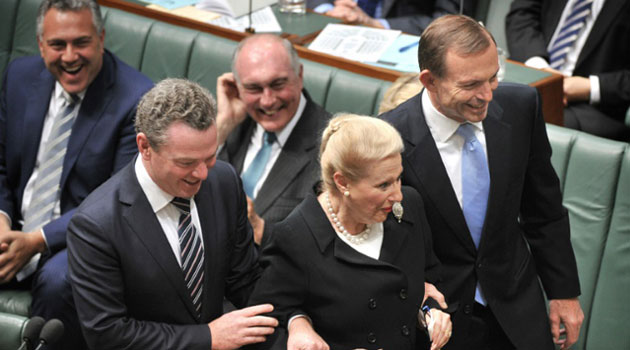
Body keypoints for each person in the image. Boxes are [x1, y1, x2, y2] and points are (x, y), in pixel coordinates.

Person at [381, 15, 584, 350]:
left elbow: (543, 211)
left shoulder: (520, 107)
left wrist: (564, 293)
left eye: (493, 78)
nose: (487, 95)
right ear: (429, 81)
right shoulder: (390, 137)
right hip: (438, 324)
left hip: (518, 311)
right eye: (471, 85)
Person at [67, 78, 278, 350]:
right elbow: (108, 334)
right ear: (145, 147)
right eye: (186, 163)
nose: (202, 174)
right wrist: (208, 338)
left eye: (209, 157)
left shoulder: (223, 181)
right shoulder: (96, 225)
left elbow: (245, 279)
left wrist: (296, 321)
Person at [0, 0, 152, 348]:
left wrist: (37, 240)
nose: (70, 56)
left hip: (82, 239)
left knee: (59, 282)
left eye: (81, 42)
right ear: (41, 45)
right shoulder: (19, 78)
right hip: (15, 228)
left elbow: (116, 202)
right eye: (57, 45)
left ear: (101, 38)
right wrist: (3, 221)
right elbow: (1, 166)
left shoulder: (136, 99)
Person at [248, 114, 452, 350]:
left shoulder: (409, 206)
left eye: (398, 179)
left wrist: (428, 311)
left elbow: (429, 277)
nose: (397, 194)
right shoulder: (295, 237)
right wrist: (300, 325)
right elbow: (263, 328)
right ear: (343, 183)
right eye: (383, 185)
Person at [216, 34, 331, 246]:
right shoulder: (230, 124)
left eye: (278, 85)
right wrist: (222, 127)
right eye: (254, 89)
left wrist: (261, 230)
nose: (267, 101)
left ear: (300, 76)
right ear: (238, 87)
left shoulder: (329, 147)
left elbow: (322, 243)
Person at [506, 0, 630, 142]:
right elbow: (521, 14)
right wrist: (541, 70)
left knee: (522, 119)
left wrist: (589, 87)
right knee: (486, 101)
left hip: (592, 105)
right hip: (532, 73)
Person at [308, 0, 473, 35]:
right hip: (329, 27)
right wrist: (328, 10)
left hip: (395, 42)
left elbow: (450, 22)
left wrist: (374, 23)